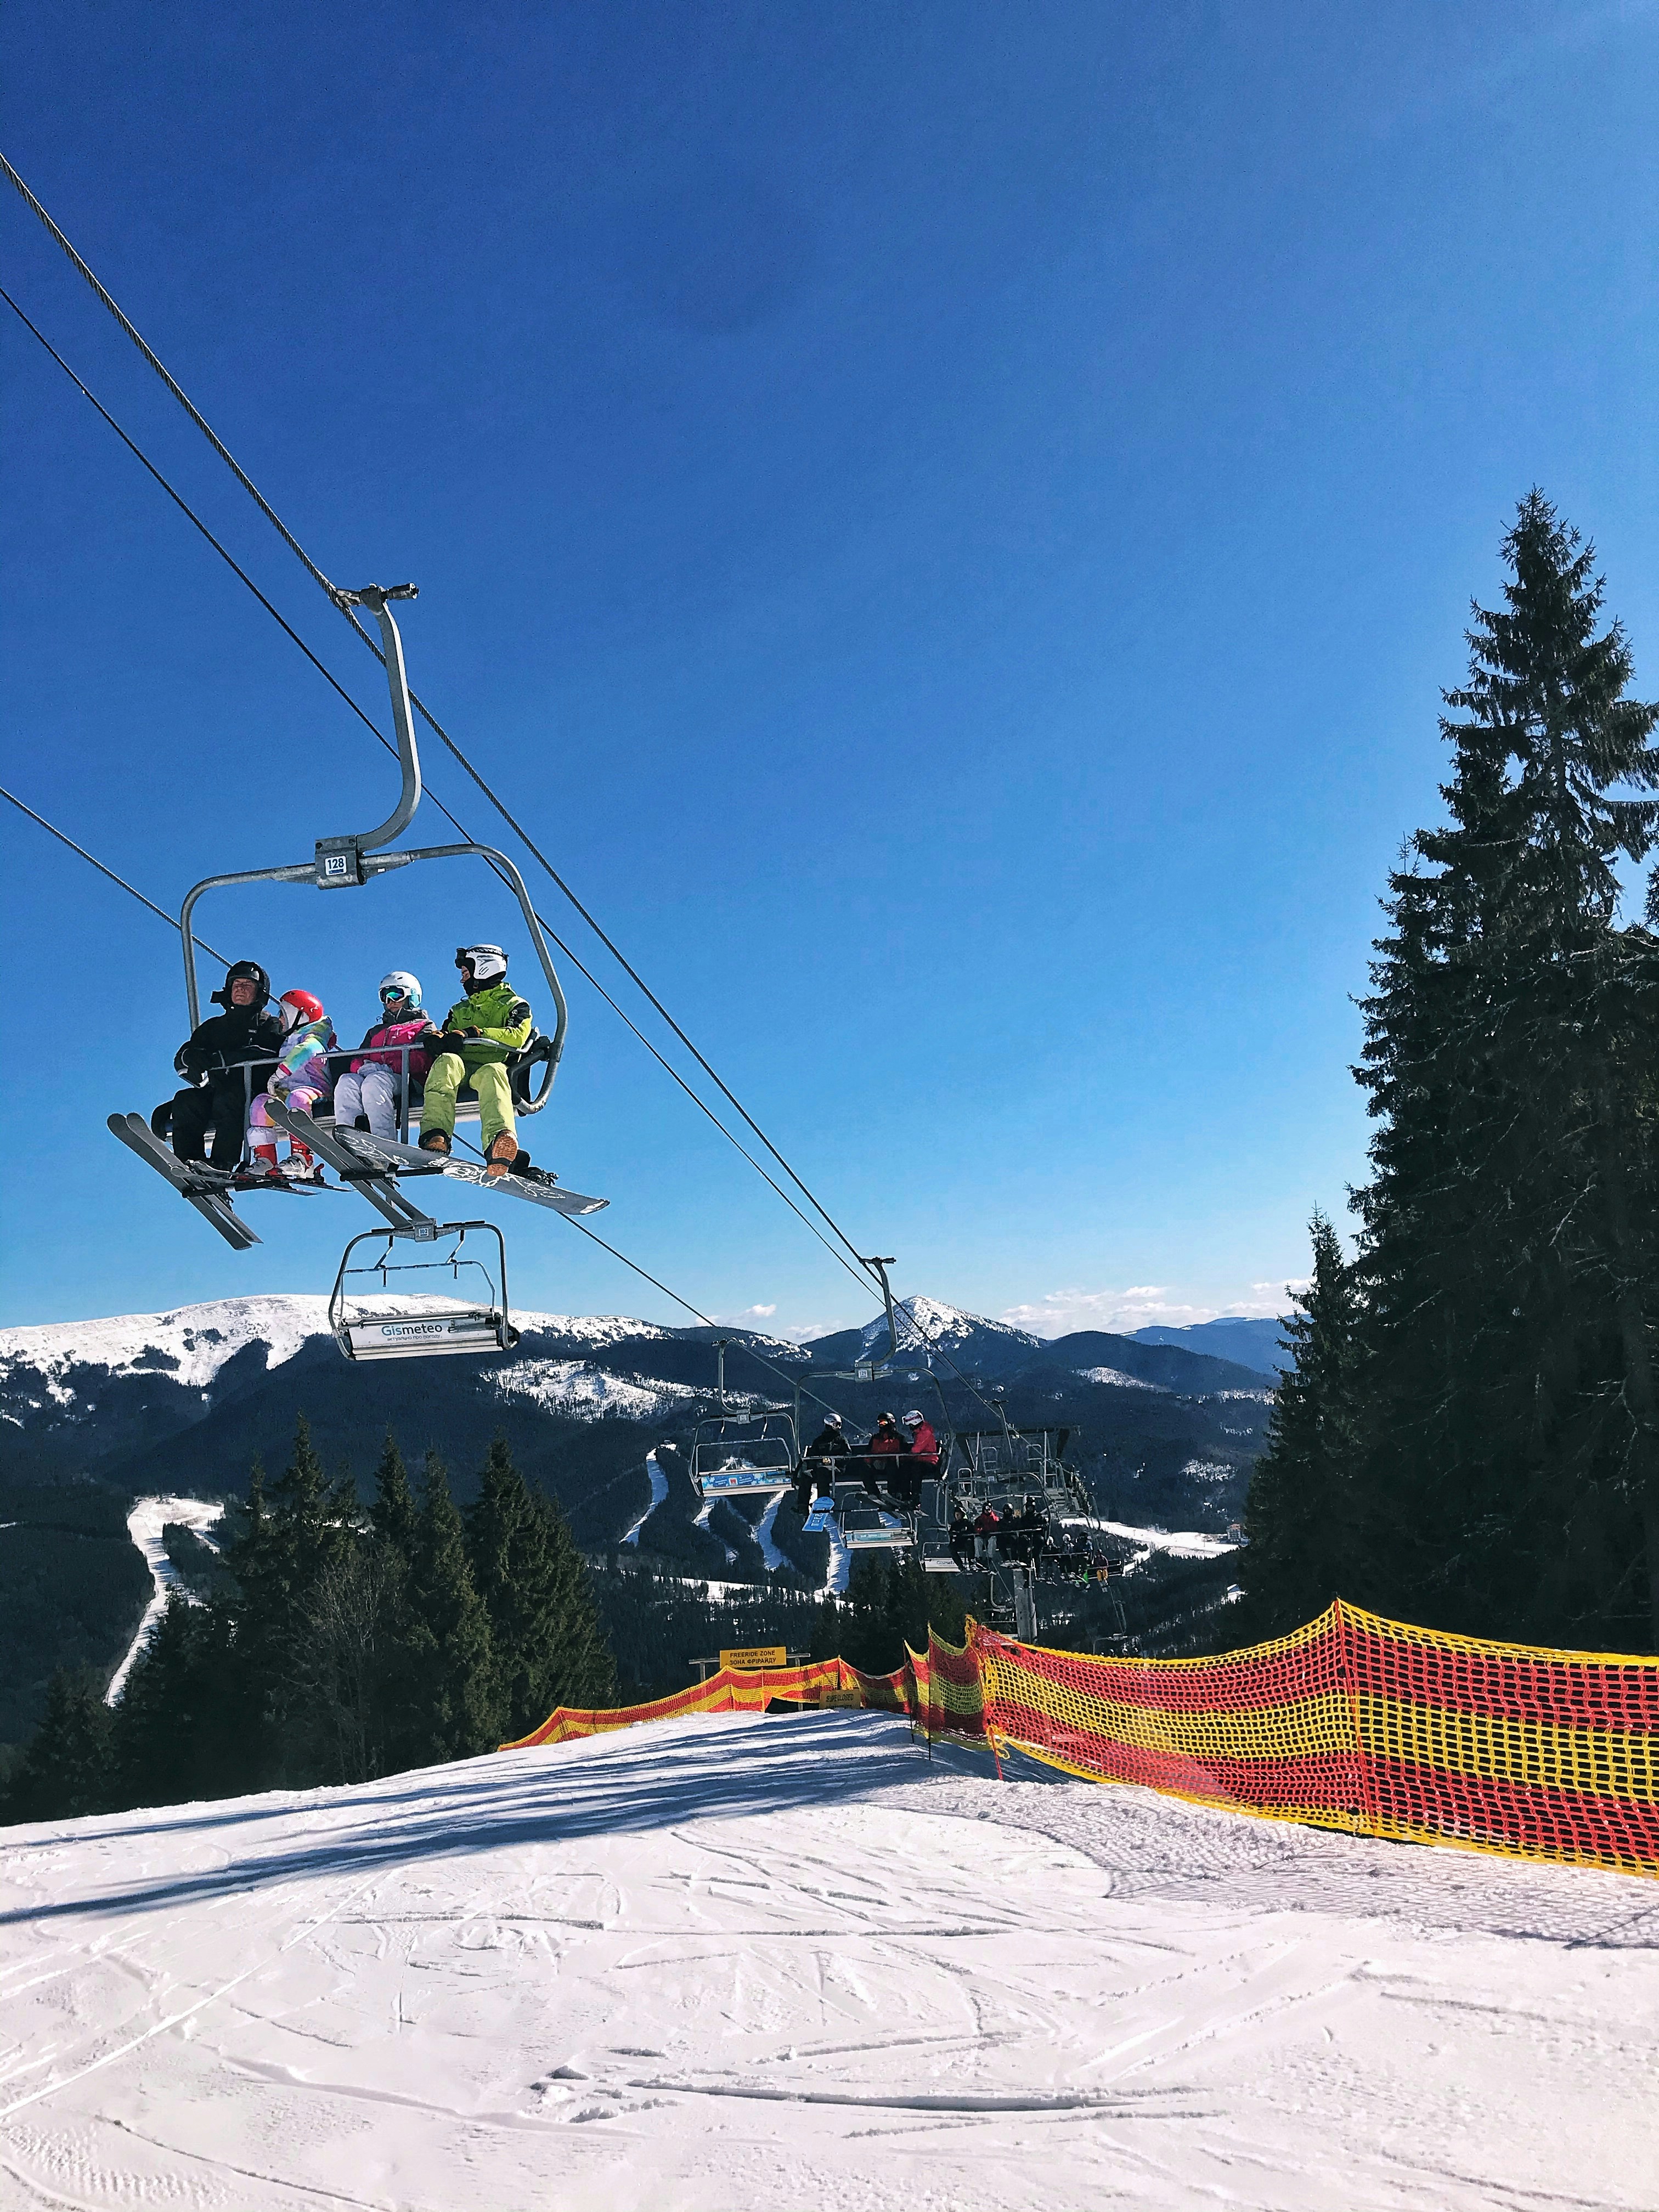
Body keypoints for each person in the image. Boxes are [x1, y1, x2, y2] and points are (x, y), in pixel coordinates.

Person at [154, 960, 283, 1170]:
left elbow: (266, 1052)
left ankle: (222, 1163)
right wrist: (191, 1059)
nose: (240, 989)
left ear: (260, 992)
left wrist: (222, 1059)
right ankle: (191, 1163)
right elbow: (184, 1056)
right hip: (218, 1091)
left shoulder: (268, 1024)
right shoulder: (214, 1027)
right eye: (236, 984)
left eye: (247, 985)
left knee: (230, 1098)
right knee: (186, 1100)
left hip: (254, 1093)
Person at [417, 944, 532, 1177]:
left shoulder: (515, 1005)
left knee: (493, 1074)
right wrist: (438, 1039)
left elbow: (516, 1037)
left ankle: (498, 1144)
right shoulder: (460, 1008)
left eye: (465, 973)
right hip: (462, 1066)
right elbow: (448, 1030)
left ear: (483, 968)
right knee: (445, 1062)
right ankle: (436, 1135)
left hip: (492, 1063)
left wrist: (476, 1033)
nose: (462, 980)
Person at [331, 972, 438, 1139]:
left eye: (396, 994)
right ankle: (348, 1136)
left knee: (376, 1082)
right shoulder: (375, 1032)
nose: (390, 1001)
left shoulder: (423, 1025)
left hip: (408, 1080)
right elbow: (358, 1057)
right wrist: (361, 1068)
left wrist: (388, 1068)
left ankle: (383, 1141)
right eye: (385, 996)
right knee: (347, 1081)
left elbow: (423, 1059)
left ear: (412, 997)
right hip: (375, 1076)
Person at [247, 990, 337, 1180]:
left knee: (298, 1099)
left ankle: (303, 1159)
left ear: (299, 1015)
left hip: (316, 1091)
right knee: (260, 1104)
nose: (280, 1020)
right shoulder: (291, 1038)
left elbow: (307, 1051)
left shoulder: (315, 1036)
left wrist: (280, 1073)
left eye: (283, 1014)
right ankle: (266, 1160)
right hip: (289, 1090)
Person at [794, 1412, 850, 1516]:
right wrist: (819, 1462)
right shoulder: (819, 1441)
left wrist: (834, 1461)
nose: (838, 1428)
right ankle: (802, 1506)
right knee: (806, 1475)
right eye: (836, 1425)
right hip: (820, 1468)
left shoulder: (841, 1440)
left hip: (836, 1468)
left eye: (839, 1425)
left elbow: (847, 1456)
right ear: (829, 1425)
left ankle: (823, 1499)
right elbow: (812, 1457)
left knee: (823, 1471)